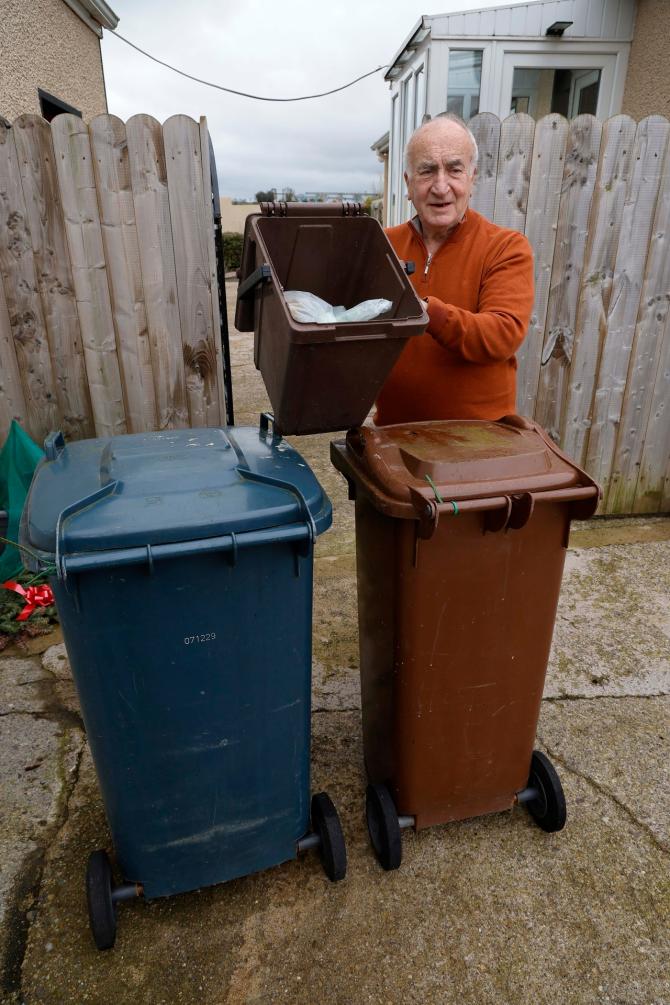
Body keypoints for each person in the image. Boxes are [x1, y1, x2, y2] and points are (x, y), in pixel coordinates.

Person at [375, 114, 535, 425]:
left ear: (472, 178)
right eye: (427, 171)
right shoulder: (383, 245)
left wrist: (425, 311)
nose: (440, 186)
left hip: (477, 439)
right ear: (408, 184)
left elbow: (501, 334)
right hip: (394, 434)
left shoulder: (505, 247)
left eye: (454, 170)